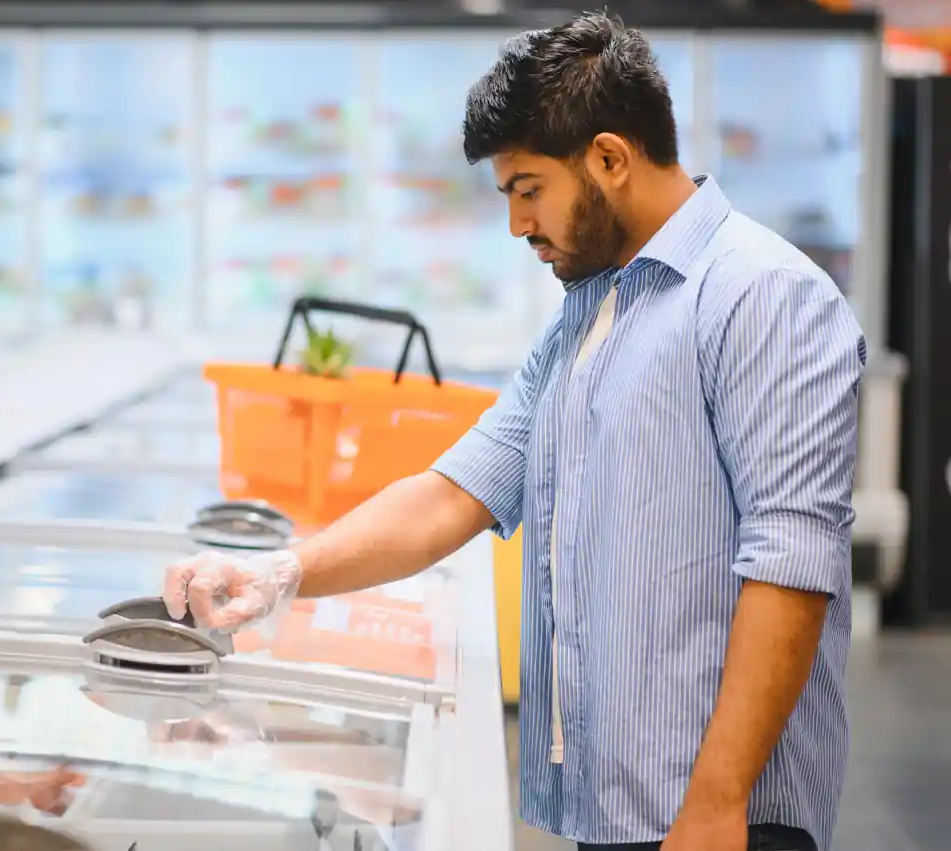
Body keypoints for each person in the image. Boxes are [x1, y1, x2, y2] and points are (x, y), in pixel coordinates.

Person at [163, 12, 863, 851]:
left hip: (725, 815)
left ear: (609, 158)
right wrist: (282, 572)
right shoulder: (588, 318)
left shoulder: (765, 296)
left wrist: (716, 801)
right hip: (620, 808)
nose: (516, 224)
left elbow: (791, 561)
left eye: (528, 189)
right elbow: (450, 492)